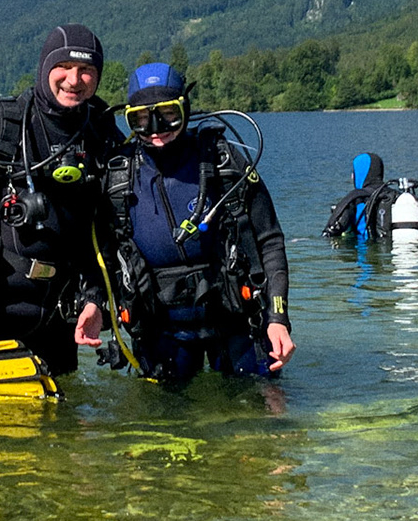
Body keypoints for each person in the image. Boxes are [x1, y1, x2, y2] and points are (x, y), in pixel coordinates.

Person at [0, 24, 124, 375]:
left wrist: (96, 299)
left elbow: (105, 230)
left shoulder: (103, 134)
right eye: (63, 67)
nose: (74, 80)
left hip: (56, 318)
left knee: (59, 425)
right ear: (44, 66)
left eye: (87, 71)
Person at [102, 63, 295, 381]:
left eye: (168, 114)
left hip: (235, 321)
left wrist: (277, 316)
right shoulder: (118, 177)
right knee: (160, 422)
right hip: (161, 329)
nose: (156, 129)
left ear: (185, 108)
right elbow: (101, 254)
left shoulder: (223, 162)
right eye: (140, 119)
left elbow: (269, 239)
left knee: (264, 411)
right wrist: (94, 304)